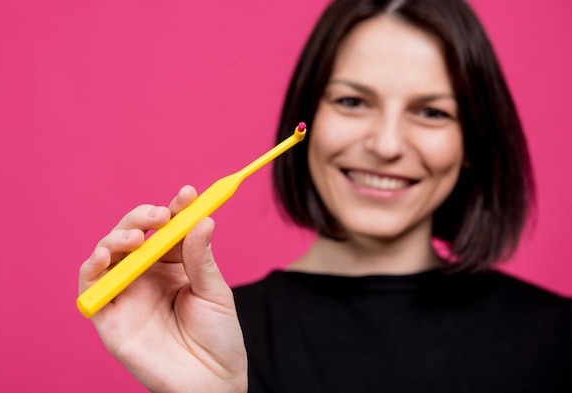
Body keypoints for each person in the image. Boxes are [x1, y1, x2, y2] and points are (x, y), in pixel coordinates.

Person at [78, 0, 572, 391]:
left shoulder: (556, 338)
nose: (385, 146)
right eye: (353, 102)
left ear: (472, 141)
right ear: (308, 118)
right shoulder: (209, 334)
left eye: (431, 112)